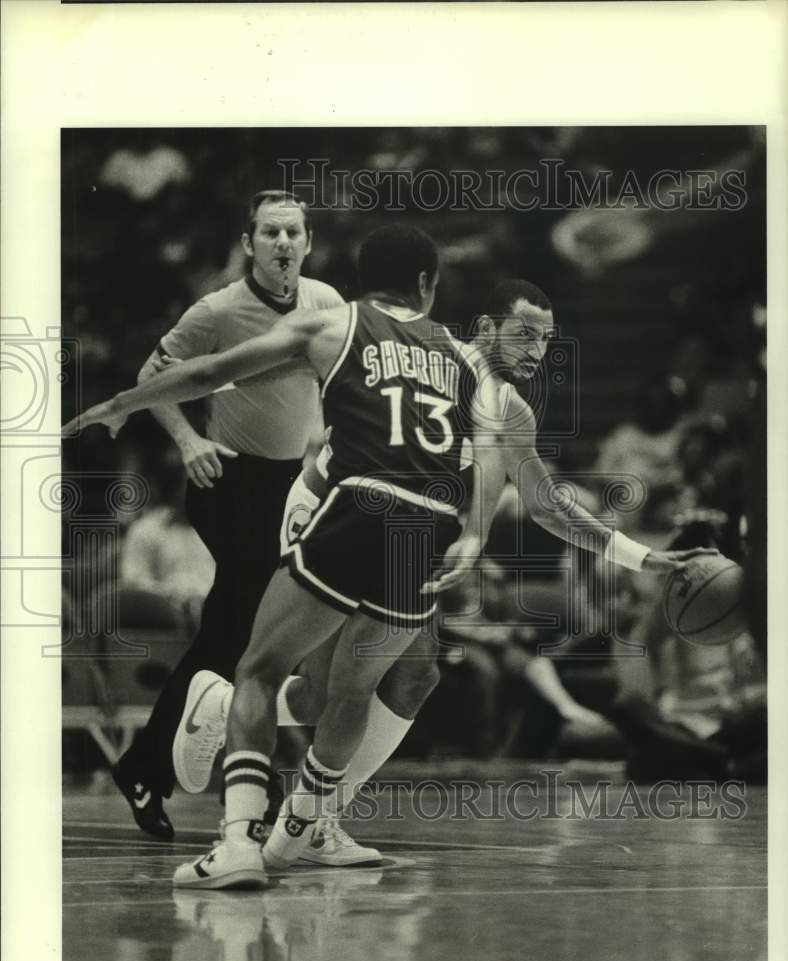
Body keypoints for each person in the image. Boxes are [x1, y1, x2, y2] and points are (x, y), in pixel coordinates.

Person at [168, 278, 717, 855]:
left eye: (546, 341)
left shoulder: (508, 408)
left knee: (407, 676)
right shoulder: (430, 358)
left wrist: (643, 556)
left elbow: (547, 504)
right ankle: (298, 813)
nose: (535, 351)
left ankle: (264, 755)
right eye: (523, 334)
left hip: (402, 530)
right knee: (344, 685)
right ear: (484, 330)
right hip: (332, 509)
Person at [63, 223, 507, 889]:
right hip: (427, 528)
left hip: (355, 505)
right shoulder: (469, 359)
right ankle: (304, 822)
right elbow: (493, 454)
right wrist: (474, 533)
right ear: (427, 285)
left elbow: (214, 371)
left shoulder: (334, 324)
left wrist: (124, 404)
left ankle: (244, 837)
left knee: (262, 668)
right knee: (352, 688)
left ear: (361, 281)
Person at [109, 190, 344, 840]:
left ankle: (160, 768)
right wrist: (188, 441)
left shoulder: (325, 303)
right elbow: (150, 375)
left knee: (237, 637)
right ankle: (247, 784)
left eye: (293, 232)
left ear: (308, 241)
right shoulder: (217, 309)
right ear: (249, 243)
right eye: (269, 232)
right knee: (249, 628)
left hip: (292, 487)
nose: (282, 243)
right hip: (228, 481)